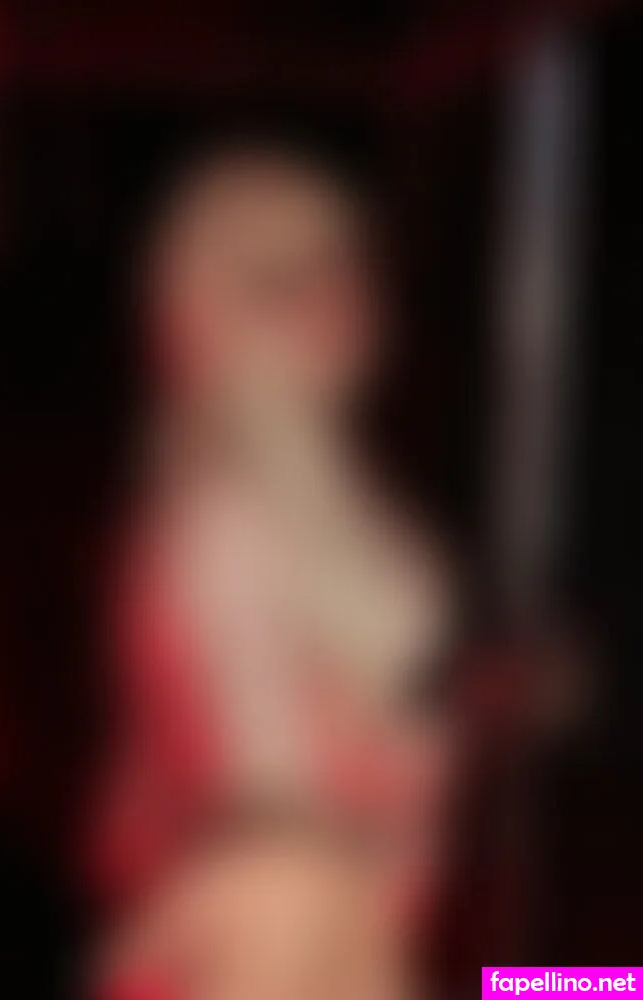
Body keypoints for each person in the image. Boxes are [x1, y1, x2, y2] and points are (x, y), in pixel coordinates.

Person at [83, 133, 460, 1000]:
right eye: (274, 281)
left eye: (342, 263)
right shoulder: (229, 515)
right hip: (275, 949)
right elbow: (281, 825)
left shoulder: (330, 500)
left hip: (354, 934)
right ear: (200, 313)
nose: (330, 296)